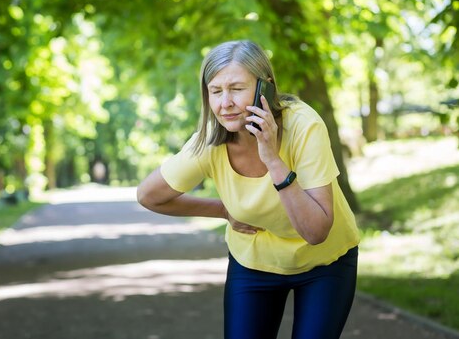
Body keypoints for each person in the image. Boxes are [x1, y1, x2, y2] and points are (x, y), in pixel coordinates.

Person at [137, 40, 360, 339]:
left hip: (325, 262)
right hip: (255, 263)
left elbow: (316, 232)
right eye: (215, 91)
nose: (224, 103)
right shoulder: (208, 142)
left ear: (264, 89)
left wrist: (272, 159)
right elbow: (149, 196)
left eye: (236, 89)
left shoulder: (303, 126)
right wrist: (224, 211)